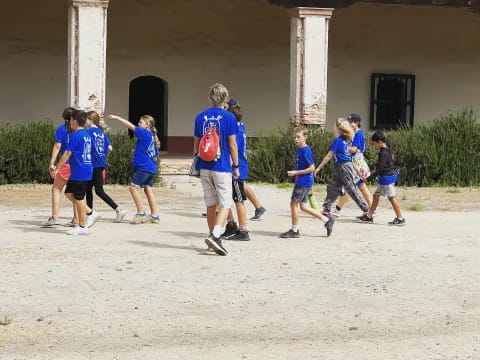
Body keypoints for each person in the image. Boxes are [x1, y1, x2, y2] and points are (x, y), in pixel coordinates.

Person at [193, 83, 240, 256]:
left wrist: (196, 166)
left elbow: (196, 145)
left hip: (204, 165)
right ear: (225, 98)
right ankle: (215, 236)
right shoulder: (229, 117)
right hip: (222, 166)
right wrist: (236, 166)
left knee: (210, 204)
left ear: (210, 98)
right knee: (226, 203)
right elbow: (232, 144)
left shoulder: (200, 117)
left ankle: (211, 237)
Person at [280, 126, 334, 238]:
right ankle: (326, 220)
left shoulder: (306, 150)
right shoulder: (300, 149)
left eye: (298, 137)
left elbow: (312, 168)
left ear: (305, 137)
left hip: (304, 182)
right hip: (303, 181)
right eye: (294, 137)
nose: (296, 139)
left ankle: (294, 230)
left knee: (293, 204)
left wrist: (296, 173)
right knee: (303, 206)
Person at [107, 114, 160, 224]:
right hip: (150, 167)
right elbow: (154, 155)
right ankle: (154, 215)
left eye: (141, 122)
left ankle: (140, 214)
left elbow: (131, 126)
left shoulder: (144, 132)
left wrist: (118, 118)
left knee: (133, 188)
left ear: (148, 125)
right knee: (147, 189)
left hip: (144, 167)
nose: (139, 124)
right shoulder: (152, 137)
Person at [314, 118, 370, 218]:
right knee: (332, 187)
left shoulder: (339, 140)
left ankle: (366, 210)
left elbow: (329, 155)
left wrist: (318, 168)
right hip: (342, 166)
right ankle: (326, 209)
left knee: (351, 189)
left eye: (334, 126)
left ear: (338, 128)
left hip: (344, 166)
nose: (333, 127)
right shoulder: (346, 139)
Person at [52, 110, 93, 235]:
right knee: (70, 193)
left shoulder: (77, 135)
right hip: (82, 169)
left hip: (80, 170)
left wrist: (57, 167)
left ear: (74, 121)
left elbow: (68, 153)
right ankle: (89, 212)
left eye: (71, 120)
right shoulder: (86, 133)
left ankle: (82, 226)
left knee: (79, 198)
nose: (69, 122)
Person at [85, 111, 126, 223]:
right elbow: (110, 148)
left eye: (86, 119)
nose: (84, 121)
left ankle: (118, 209)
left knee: (97, 190)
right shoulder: (101, 133)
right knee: (88, 189)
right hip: (100, 163)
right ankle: (90, 213)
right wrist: (103, 157)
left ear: (91, 120)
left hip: (92, 164)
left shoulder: (87, 132)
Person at [358, 131, 405, 225]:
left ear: (379, 141)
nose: (374, 145)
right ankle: (369, 216)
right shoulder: (387, 150)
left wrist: (368, 178)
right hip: (385, 178)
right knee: (376, 196)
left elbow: (380, 169)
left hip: (388, 179)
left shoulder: (383, 153)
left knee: (391, 198)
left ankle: (400, 218)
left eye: (374, 143)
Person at [221, 99, 251, 241]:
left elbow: (234, 149)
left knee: (238, 199)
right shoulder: (240, 126)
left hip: (237, 168)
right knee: (225, 198)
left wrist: (235, 168)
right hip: (235, 167)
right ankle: (231, 224)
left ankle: (243, 230)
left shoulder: (236, 131)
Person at [332, 113, 372, 217]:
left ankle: (338, 209)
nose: (349, 124)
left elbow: (354, 149)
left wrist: (342, 148)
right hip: (356, 163)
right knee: (357, 187)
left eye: (351, 122)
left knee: (352, 187)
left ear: (357, 123)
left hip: (356, 163)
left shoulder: (358, 134)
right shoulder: (355, 133)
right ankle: (371, 209)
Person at [41, 107, 75, 227]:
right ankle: (76, 219)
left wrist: (52, 163)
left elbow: (57, 146)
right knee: (75, 191)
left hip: (65, 163)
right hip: (78, 164)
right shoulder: (80, 130)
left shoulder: (61, 129)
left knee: (56, 188)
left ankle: (55, 217)